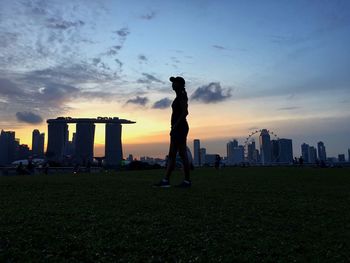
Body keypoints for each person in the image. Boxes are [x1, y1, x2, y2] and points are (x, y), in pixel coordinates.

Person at [154, 76, 191, 188]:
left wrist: (175, 126)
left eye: (175, 82)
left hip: (179, 128)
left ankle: (183, 181)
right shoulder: (180, 95)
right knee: (174, 154)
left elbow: (185, 112)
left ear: (180, 84)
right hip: (178, 128)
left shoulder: (181, 95)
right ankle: (168, 180)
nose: (172, 84)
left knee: (180, 154)